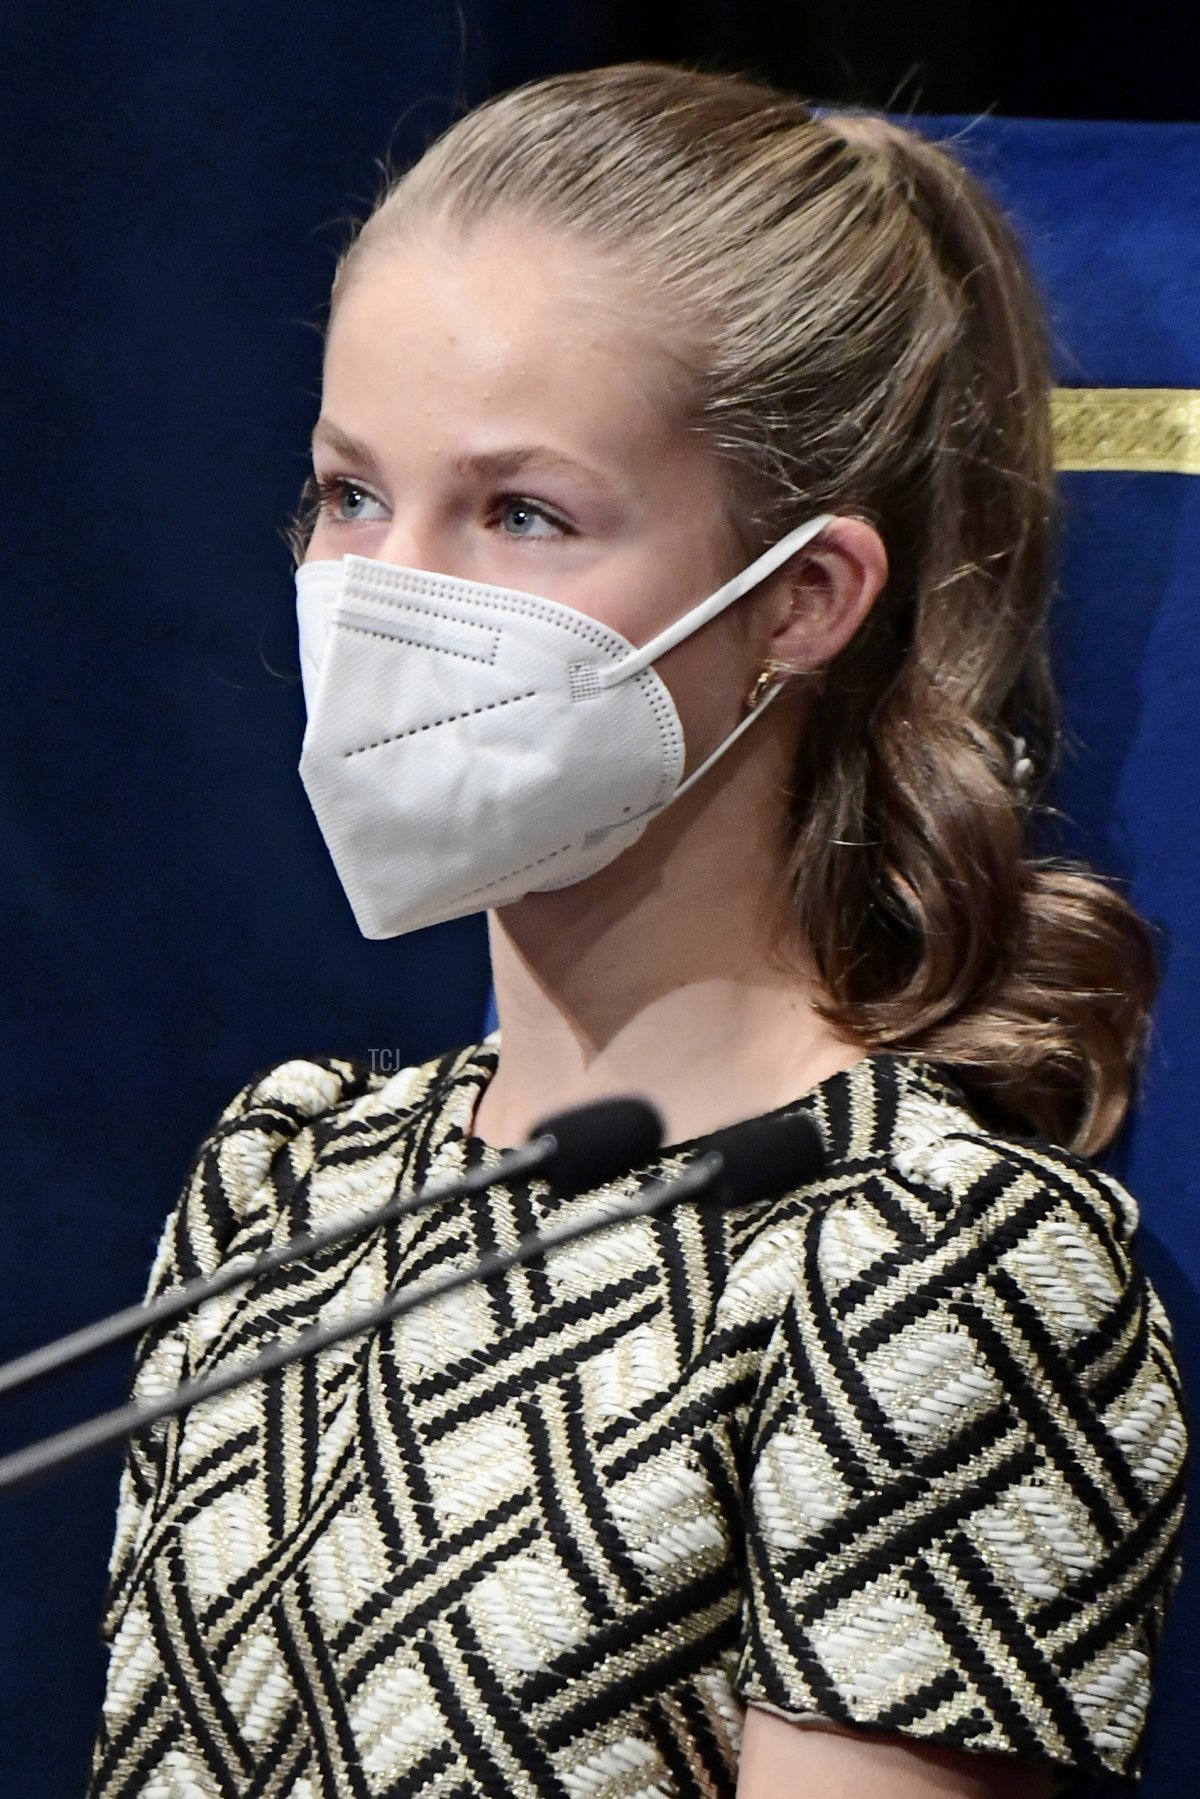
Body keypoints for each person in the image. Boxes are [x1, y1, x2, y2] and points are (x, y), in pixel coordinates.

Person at [90, 63, 1185, 1799]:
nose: (392, 598)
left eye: (523, 514)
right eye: (352, 496)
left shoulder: (927, 1269)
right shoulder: (282, 1183)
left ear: (803, 603)